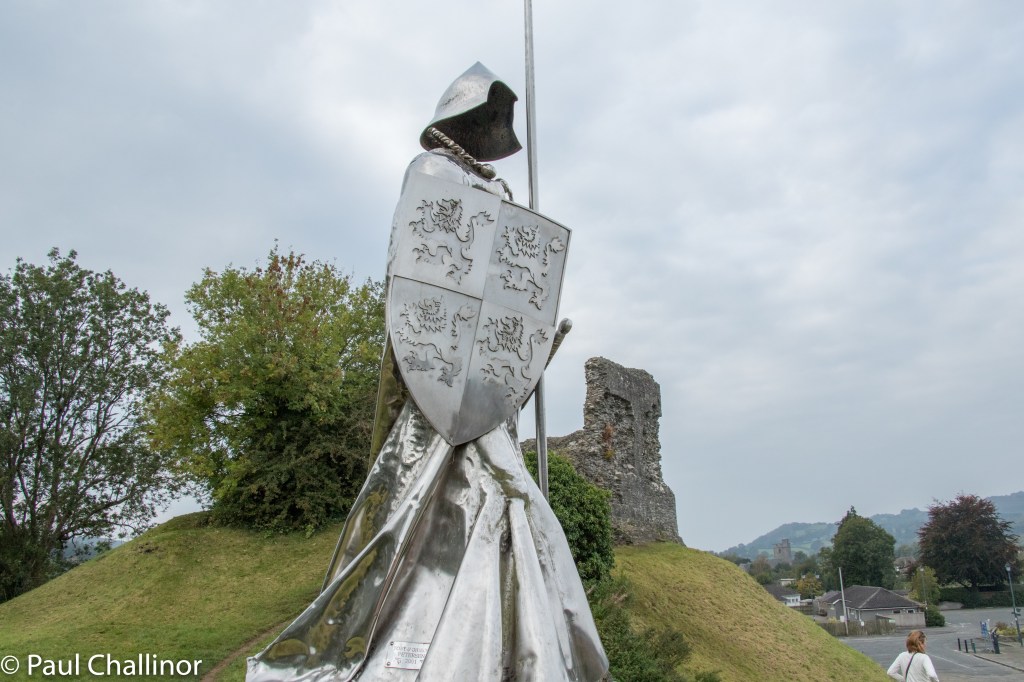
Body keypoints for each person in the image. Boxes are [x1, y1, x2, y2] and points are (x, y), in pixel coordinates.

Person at [246, 63, 609, 682]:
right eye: (485, 114)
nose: (492, 126)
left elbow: (505, 301)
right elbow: (422, 295)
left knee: (516, 511)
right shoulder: (431, 174)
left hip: (484, 398)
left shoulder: (493, 192)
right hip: (434, 390)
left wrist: (528, 351)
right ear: (460, 116)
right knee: (433, 510)